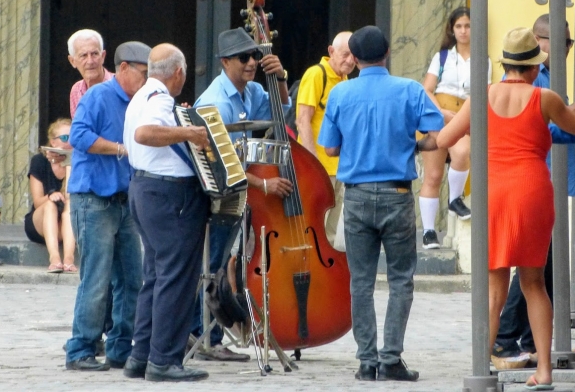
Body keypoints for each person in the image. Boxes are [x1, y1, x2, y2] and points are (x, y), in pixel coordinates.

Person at [437, 27, 575, 390]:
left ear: (506, 64)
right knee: (534, 283)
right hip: (532, 190)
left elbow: (445, 139)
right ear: (534, 68)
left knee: (494, 287)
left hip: (493, 192)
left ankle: (481, 366)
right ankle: (545, 372)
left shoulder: (482, 96)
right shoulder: (545, 97)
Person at [318, 25, 444, 382]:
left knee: (360, 281)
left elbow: (330, 148)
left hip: (356, 195)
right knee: (401, 279)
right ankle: (391, 358)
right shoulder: (409, 89)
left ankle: (366, 361)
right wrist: (411, 146)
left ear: (354, 59)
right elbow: (434, 138)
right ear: (387, 53)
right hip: (398, 193)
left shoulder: (341, 93)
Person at [190, 27, 292, 361]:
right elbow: (222, 161)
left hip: (241, 190)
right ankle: (204, 335)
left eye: (255, 56)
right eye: (244, 58)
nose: (252, 63)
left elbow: (281, 111)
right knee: (214, 265)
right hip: (221, 192)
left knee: (227, 263)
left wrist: (279, 78)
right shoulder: (216, 101)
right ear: (225, 62)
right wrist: (263, 184)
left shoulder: (252, 91)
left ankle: (214, 333)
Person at [123, 43, 210, 382]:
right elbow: (145, 134)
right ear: (178, 72)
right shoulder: (159, 99)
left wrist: (179, 121)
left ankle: (141, 356)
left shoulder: (142, 96)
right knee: (176, 278)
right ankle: (163, 360)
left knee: (156, 277)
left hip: (144, 190)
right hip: (169, 195)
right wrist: (188, 132)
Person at [493, 14, 575, 362]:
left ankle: (520, 340)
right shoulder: (535, 84)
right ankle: (511, 339)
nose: (567, 50)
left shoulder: (538, 81)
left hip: (512, 186)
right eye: (564, 42)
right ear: (542, 42)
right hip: (531, 184)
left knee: (526, 272)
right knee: (531, 274)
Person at [65, 41, 151, 372]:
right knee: (96, 279)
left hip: (124, 200)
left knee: (132, 279)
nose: (145, 81)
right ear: (124, 69)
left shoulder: (138, 100)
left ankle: (119, 347)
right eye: (142, 74)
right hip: (93, 199)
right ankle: (80, 349)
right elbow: (79, 136)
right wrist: (119, 148)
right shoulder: (98, 96)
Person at [419, 7, 492, 249]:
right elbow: (426, 88)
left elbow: (485, 92)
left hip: (464, 115)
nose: (463, 31)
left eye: (468, 26)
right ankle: (429, 231)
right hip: (438, 114)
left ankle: (454, 199)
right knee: (433, 174)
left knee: (462, 153)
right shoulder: (442, 57)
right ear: (452, 29)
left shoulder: (484, 59)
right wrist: (441, 112)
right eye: (459, 26)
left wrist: (460, 116)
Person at [295, 31, 355, 246]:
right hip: (319, 166)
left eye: (354, 56)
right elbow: (302, 121)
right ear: (331, 51)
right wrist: (313, 164)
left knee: (329, 233)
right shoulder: (316, 74)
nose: (350, 60)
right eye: (345, 54)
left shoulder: (345, 80)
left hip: (340, 168)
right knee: (312, 227)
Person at [24, 118, 76, 273]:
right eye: (65, 138)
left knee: (70, 205)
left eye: (73, 136)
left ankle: (68, 259)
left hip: (65, 223)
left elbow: (70, 196)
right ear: (53, 142)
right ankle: (54, 258)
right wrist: (51, 196)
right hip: (41, 221)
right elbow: (38, 201)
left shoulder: (78, 161)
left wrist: (69, 163)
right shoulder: (39, 161)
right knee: (49, 205)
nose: (70, 141)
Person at [67, 29, 114, 118]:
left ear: (103, 56)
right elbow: (78, 130)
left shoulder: (119, 85)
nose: (90, 61)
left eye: (94, 54)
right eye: (83, 55)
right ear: (72, 61)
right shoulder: (76, 90)